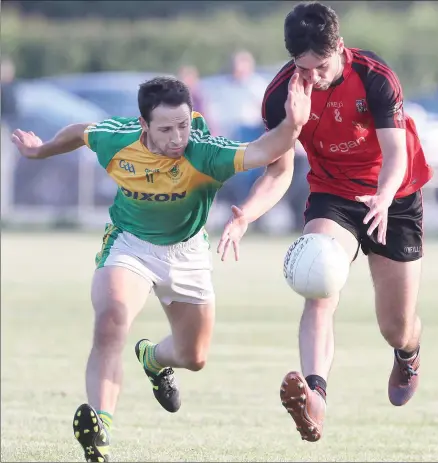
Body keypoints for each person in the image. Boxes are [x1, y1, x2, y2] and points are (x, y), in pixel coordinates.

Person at [11, 74, 312, 462]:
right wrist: (43, 150)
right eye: (166, 129)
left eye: (183, 125)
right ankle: (100, 431)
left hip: (187, 253)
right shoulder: (117, 140)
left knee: (194, 356)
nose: (177, 137)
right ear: (143, 126)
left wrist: (294, 125)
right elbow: (81, 132)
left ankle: (153, 359)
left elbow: (264, 151)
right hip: (129, 245)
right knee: (111, 320)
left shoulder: (204, 152)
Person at [217, 1, 433, 443]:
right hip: (333, 196)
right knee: (319, 281)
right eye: (303, 68)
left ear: (338, 47)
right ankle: (315, 398)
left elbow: (395, 155)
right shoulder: (282, 95)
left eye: (320, 67)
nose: (311, 77)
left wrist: (385, 197)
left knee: (395, 325)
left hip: (395, 194)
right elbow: (279, 170)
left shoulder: (375, 77)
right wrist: (247, 214)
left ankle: (408, 353)